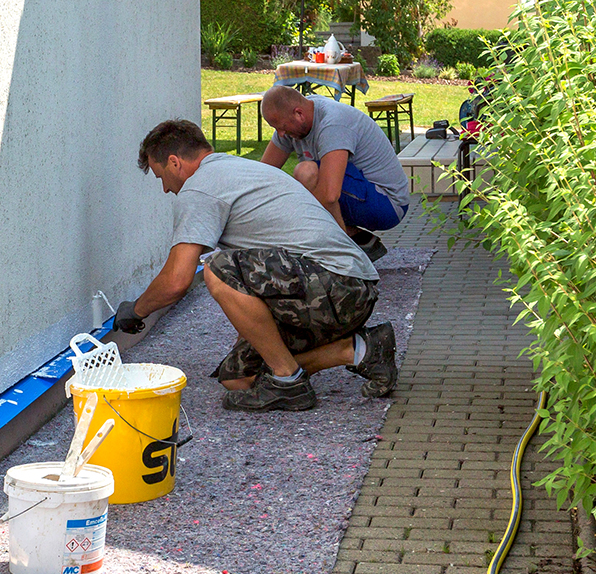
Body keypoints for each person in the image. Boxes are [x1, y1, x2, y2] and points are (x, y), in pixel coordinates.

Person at [113, 120, 398, 412]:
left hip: (337, 285)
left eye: (161, 176)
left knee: (217, 268)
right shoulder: (241, 169)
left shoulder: (200, 188)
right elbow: (258, 281)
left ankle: (288, 381)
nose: (164, 189)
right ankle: (359, 350)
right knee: (239, 378)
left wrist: (136, 311)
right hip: (344, 287)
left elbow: (177, 280)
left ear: (174, 163)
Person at [258, 85, 411, 261]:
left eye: (282, 127)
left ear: (299, 113)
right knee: (289, 192)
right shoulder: (294, 120)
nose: (280, 134)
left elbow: (329, 195)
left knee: (306, 173)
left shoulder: (333, 124)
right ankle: (359, 241)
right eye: (275, 128)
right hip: (360, 192)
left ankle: (344, 254)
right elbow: (263, 176)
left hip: (388, 204)